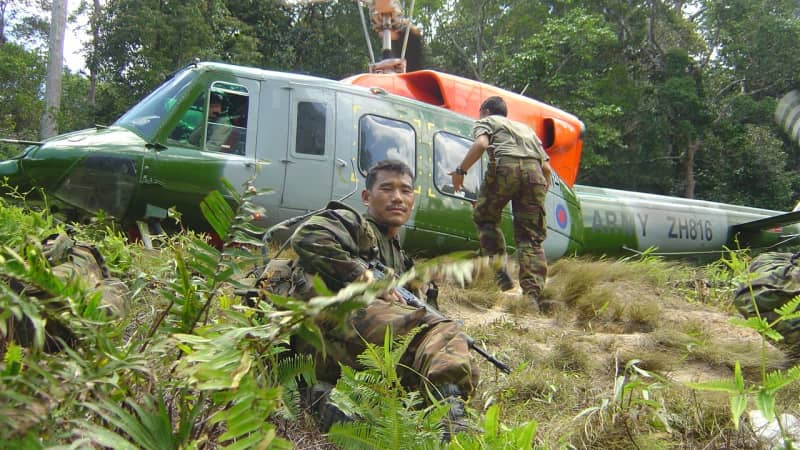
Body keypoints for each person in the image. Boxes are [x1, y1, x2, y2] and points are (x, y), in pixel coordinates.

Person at [289, 159, 479, 434]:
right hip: (325, 333)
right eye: (387, 189)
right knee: (442, 333)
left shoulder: (400, 258)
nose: (398, 198)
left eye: (406, 190)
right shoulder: (352, 223)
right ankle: (454, 427)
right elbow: (307, 236)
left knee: (448, 357)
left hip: (353, 350)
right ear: (367, 197)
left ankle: (326, 398)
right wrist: (365, 277)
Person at [450, 96, 552, 312]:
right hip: (535, 175)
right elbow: (547, 170)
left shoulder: (488, 121)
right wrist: (540, 193)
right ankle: (532, 297)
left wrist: (460, 171)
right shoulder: (526, 130)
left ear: (485, 111)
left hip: (505, 167)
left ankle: (501, 273)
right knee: (531, 237)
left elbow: (481, 144)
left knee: (484, 217)